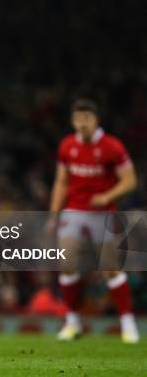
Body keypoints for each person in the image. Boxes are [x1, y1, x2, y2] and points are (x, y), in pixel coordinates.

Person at [49, 98, 139, 343]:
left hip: (103, 213)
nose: (82, 124)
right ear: (72, 121)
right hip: (74, 211)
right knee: (67, 264)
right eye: (77, 119)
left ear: (95, 120)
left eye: (86, 119)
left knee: (109, 268)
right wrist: (53, 214)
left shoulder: (112, 147)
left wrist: (107, 196)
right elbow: (61, 182)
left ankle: (128, 324)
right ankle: (72, 323)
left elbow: (130, 181)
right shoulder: (67, 146)